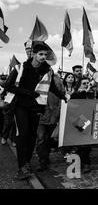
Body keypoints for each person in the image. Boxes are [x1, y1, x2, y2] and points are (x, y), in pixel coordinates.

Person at [4, 41, 68, 179]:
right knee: (22, 135)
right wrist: (28, 93)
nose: (43, 56)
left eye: (45, 54)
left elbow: (52, 87)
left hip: (36, 107)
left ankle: (26, 163)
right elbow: (8, 86)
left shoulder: (47, 70)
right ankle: (22, 167)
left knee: (31, 137)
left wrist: (64, 96)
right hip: (20, 106)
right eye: (40, 54)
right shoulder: (20, 67)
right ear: (33, 54)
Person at [36, 73, 65, 171]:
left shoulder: (57, 80)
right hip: (41, 117)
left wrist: (59, 112)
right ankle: (42, 162)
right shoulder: (38, 80)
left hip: (54, 116)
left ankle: (46, 156)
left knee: (50, 139)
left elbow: (62, 96)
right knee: (41, 139)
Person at [70, 77, 95, 173]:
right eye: (84, 83)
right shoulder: (76, 94)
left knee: (86, 144)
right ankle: (81, 164)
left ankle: (86, 163)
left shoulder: (91, 94)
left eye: (88, 83)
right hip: (79, 119)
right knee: (80, 144)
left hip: (89, 119)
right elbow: (74, 98)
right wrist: (85, 91)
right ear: (79, 85)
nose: (87, 85)